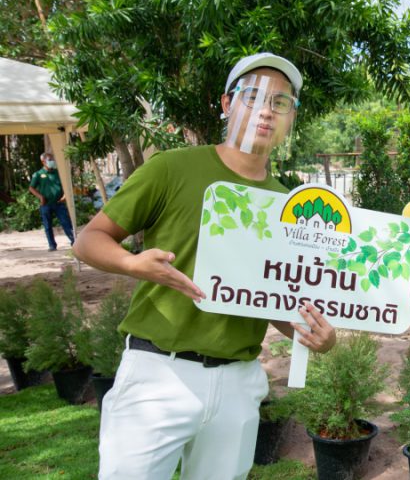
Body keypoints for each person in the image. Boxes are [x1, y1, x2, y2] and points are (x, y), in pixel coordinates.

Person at [74, 53, 337, 480]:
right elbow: (88, 240)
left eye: (281, 102)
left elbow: (270, 299)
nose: (266, 111)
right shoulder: (172, 168)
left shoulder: (287, 205)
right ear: (227, 104)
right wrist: (133, 263)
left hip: (238, 383)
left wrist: (314, 335)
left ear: (291, 119)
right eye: (253, 96)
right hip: (158, 372)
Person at [28, 152, 76, 251]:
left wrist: (65, 195)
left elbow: (67, 184)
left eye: (52, 160)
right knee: (47, 226)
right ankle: (52, 245)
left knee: (66, 222)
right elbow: (31, 188)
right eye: (50, 160)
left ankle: (74, 242)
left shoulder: (58, 173)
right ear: (43, 161)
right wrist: (41, 197)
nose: (52, 162)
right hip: (46, 205)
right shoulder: (38, 174)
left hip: (59, 203)